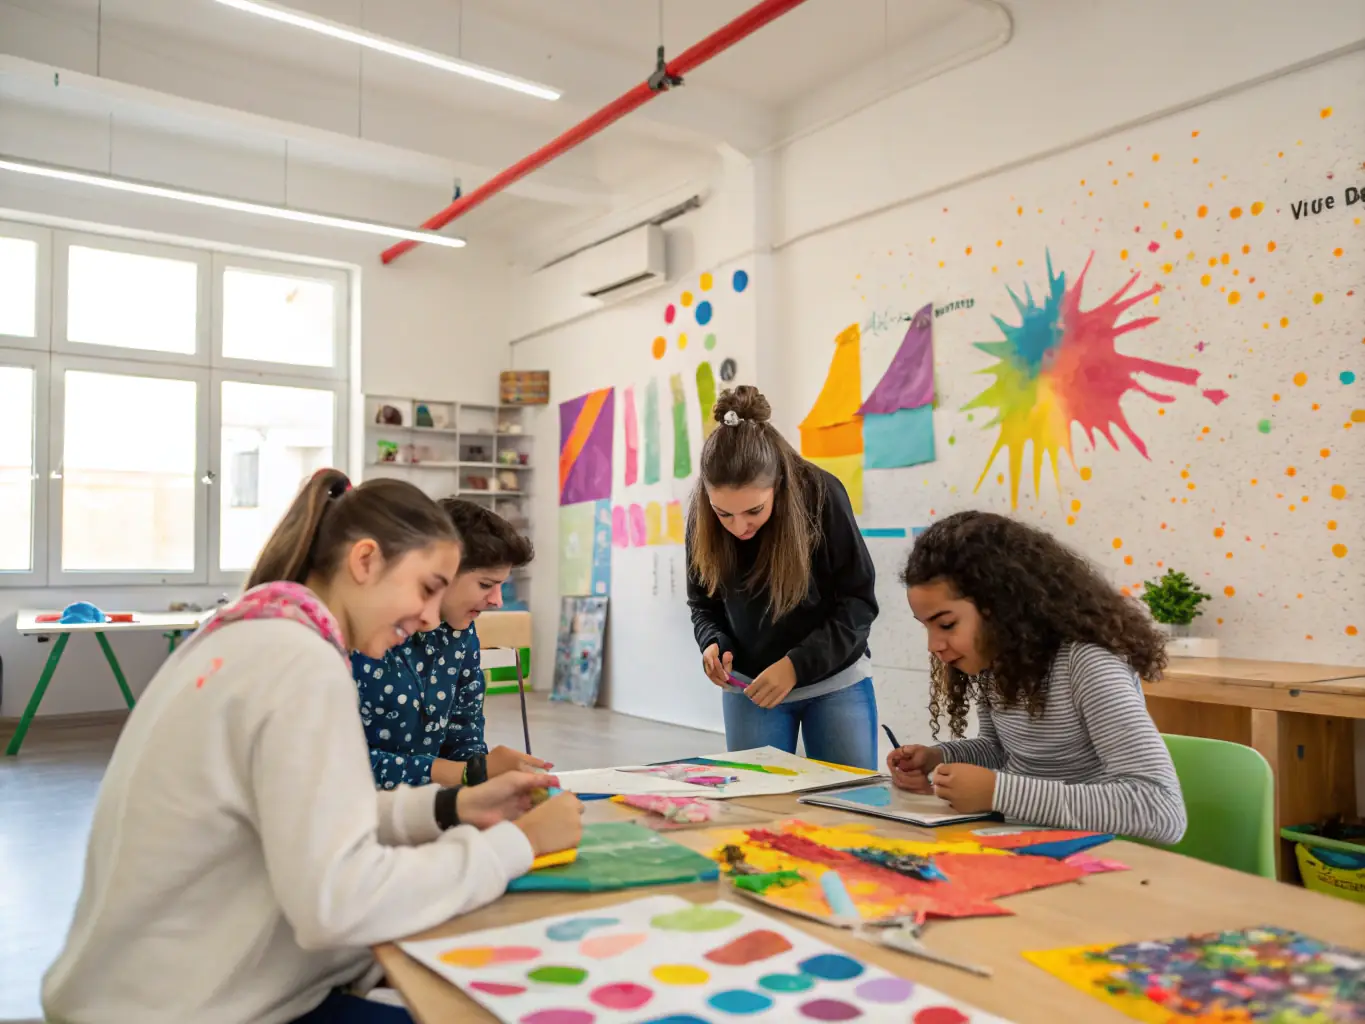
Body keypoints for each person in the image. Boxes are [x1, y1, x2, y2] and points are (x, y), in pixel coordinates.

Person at [43, 470, 582, 1024]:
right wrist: (515, 846)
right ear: (366, 561)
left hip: (131, 995)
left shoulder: (251, 631)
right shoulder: (300, 662)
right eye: (426, 588)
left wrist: (452, 805)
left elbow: (309, 811)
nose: (428, 617)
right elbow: (339, 904)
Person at [887, 510, 1186, 844]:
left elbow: (1161, 809)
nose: (934, 646)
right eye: (926, 627)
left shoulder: (1088, 664)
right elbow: (1003, 749)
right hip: (1016, 840)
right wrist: (939, 758)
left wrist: (1000, 792)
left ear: (1002, 606)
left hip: (1091, 855)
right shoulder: (1000, 663)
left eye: (946, 625)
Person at [686, 386, 880, 770]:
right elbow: (703, 604)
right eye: (724, 514)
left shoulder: (823, 495)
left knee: (852, 806)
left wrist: (796, 666)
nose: (739, 526)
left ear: (778, 486)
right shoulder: (703, 517)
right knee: (758, 813)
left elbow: (859, 603)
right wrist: (712, 644)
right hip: (750, 687)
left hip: (835, 681)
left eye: (754, 511)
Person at [353, 498, 538, 790]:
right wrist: (466, 774)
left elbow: (464, 733)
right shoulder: (360, 635)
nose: (498, 601)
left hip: (426, 809)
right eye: (486, 584)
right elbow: (342, 767)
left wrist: (482, 778)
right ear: (442, 572)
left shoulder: (461, 633)